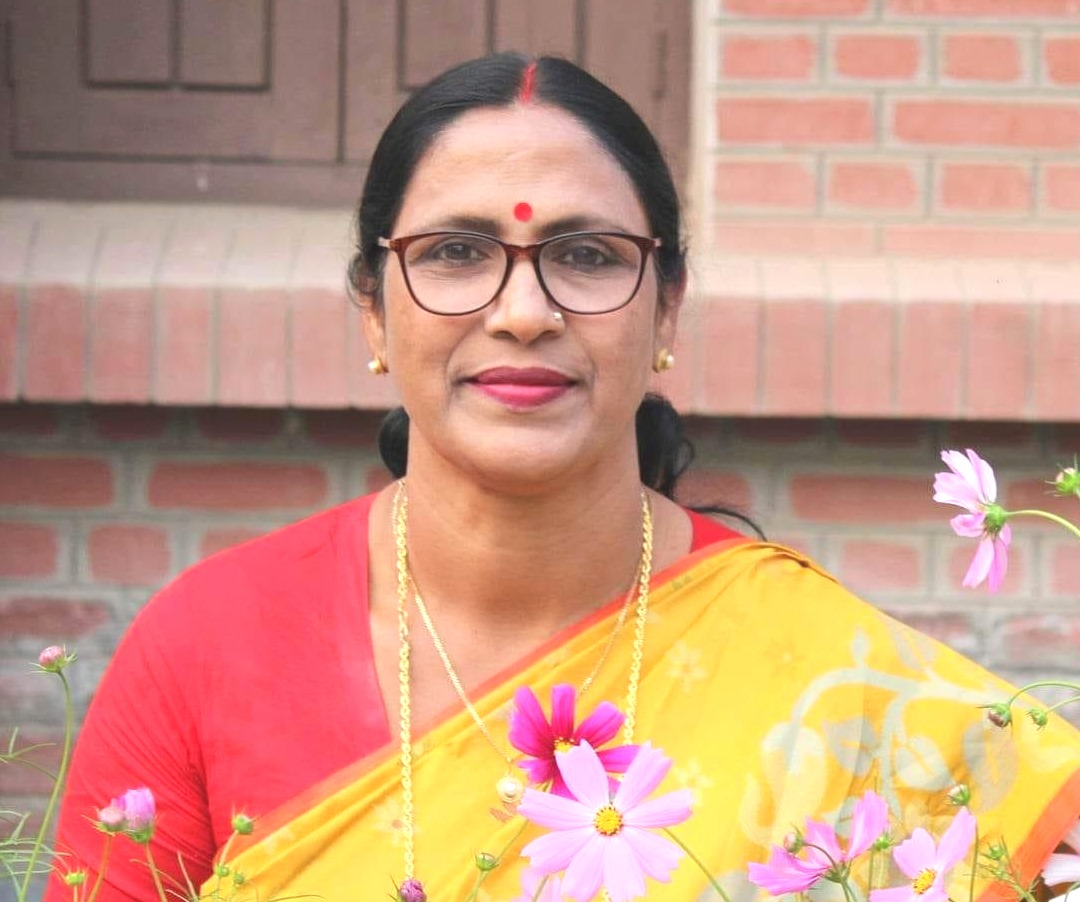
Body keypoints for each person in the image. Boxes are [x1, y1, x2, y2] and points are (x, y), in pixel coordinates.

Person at [47, 53, 1080, 902]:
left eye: (586, 255)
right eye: (456, 252)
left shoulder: (825, 675)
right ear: (373, 310)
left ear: (666, 307)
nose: (524, 311)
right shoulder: (208, 646)